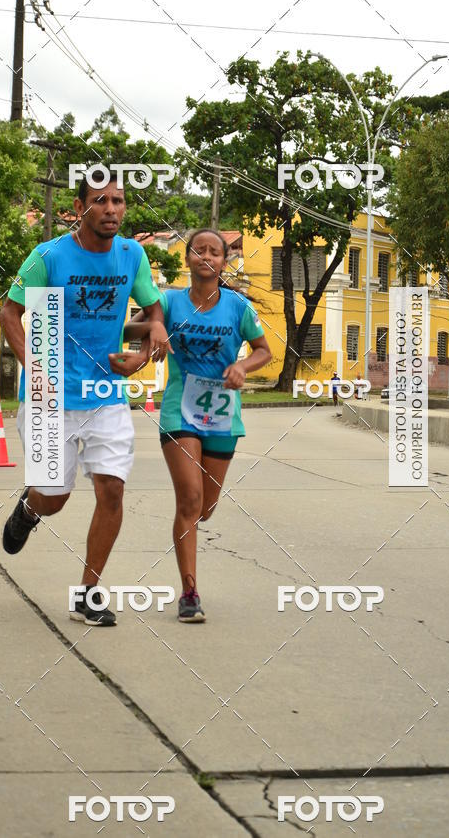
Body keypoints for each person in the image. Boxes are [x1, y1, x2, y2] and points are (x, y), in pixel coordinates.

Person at [0, 171, 170, 627]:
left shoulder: (132, 256)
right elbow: (10, 314)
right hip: (48, 397)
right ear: (79, 209)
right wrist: (33, 366)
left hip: (105, 395)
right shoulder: (49, 257)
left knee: (111, 488)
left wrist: (141, 353)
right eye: (101, 201)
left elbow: (153, 311)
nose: (112, 209)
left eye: (119, 200)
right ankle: (30, 508)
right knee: (55, 495)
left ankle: (88, 593)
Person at [114, 228, 272, 623]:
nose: (206, 257)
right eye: (198, 251)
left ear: (223, 261)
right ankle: (189, 592)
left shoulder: (237, 306)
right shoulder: (167, 301)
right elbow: (128, 329)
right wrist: (153, 326)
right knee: (188, 501)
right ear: (187, 259)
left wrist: (241, 366)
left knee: (205, 508)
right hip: (179, 413)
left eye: (214, 252)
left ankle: (191, 547)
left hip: (223, 416)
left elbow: (264, 351)